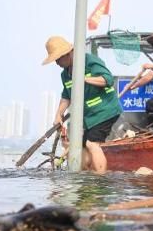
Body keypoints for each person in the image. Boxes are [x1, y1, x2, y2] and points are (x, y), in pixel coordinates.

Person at [42, 36, 122, 173]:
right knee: (82, 146)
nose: (57, 63)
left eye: (58, 59)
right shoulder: (65, 75)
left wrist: (83, 78)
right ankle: (86, 173)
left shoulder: (89, 61)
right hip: (90, 117)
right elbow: (66, 96)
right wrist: (58, 115)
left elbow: (107, 79)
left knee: (92, 144)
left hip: (105, 111)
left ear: (67, 54)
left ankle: (100, 178)